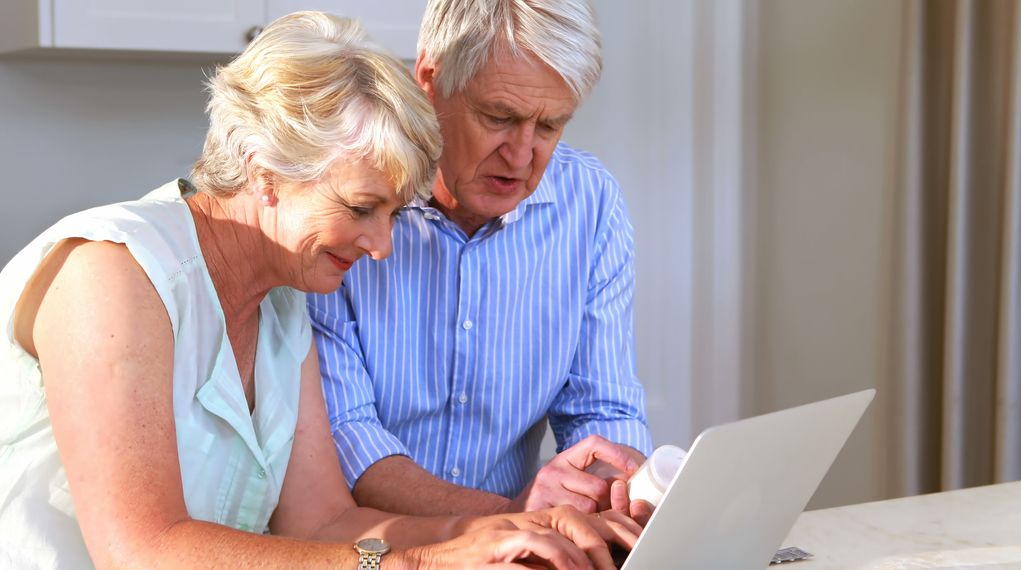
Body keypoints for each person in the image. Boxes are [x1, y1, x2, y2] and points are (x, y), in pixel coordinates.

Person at [0, 11, 640, 569]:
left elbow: (326, 527)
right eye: (362, 208)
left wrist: (502, 536)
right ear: (267, 172)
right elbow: (143, 552)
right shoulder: (114, 272)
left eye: (392, 213)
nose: (383, 245)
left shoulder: (284, 301)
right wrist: (420, 562)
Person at [309, 0, 653, 522]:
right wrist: (512, 517)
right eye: (499, 117)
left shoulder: (591, 203)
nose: (521, 156)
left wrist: (612, 497)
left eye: (549, 126)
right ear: (429, 77)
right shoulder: (349, 202)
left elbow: (601, 409)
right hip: (370, 545)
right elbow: (346, 435)